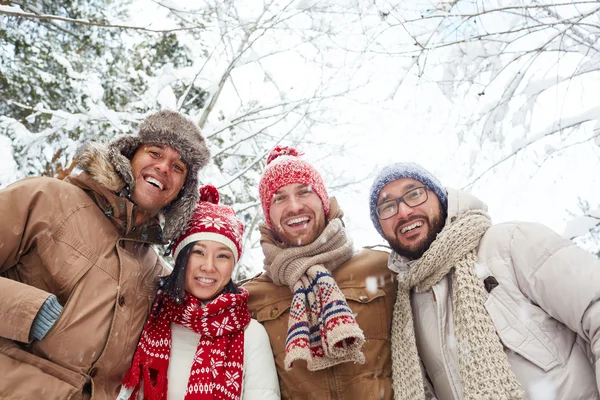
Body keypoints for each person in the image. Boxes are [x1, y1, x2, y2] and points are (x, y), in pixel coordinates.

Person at [0, 110, 210, 400]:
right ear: (129, 154)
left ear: (181, 193)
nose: (163, 168)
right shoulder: (45, 198)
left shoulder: (158, 275)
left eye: (178, 167)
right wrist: (29, 311)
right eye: (155, 153)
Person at [368, 162, 600, 400]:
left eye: (414, 194)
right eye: (387, 207)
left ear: (440, 197)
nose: (404, 211)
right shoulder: (407, 309)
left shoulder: (508, 243)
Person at [243, 146, 397, 399]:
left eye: (304, 192)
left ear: (323, 201)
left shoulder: (383, 267)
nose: (294, 206)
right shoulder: (251, 296)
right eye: (279, 198)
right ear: (268, 215)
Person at [118, 184, 279, 400]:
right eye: (198, 252)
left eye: (222, 256)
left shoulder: (250, 334)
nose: (209, 266)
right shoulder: (148, 317)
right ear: (181, 257)